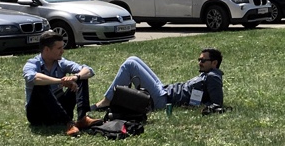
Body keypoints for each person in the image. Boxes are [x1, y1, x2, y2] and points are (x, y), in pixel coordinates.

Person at [94, 48, 224, 115]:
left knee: (130, 65)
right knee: (133, 58)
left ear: (214, 63)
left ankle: (106, 101)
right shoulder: (207, 75)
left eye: (203, 60)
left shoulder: (213, 77)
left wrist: (203, 106)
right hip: (164, 90)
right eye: (199, 59)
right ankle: (110, 100)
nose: (199, 63)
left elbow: (217, 103)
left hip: (163, 100)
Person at [23, 30, 97, 136]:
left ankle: (82, 118)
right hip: (38, 114)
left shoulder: (61, 62)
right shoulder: (32, 63)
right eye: (59, 48)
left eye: (62, 47)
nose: (62, 51)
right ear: (47, 49)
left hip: (59, 108)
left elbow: (88, 70)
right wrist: (61, 81)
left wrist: (75, 77)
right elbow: (33, 78)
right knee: (41, 85)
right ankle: (68, 123)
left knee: (82, 77)